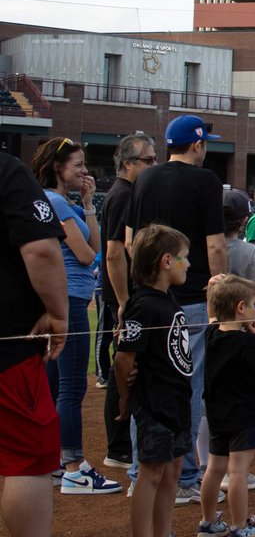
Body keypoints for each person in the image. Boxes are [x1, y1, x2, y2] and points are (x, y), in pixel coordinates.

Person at [125, 114, 227, 503]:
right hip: (192, 297)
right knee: (189, 385)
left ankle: (140, 471)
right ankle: (183, 475)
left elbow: (132, 242)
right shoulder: (205, 180)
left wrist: (143, 288)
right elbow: (215, 244)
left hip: (149, 295)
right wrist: (218, 293)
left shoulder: (146, 177)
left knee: (147, 384)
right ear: (198, 145)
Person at [30, 137, 121, 494]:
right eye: (78, 165)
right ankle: (73, 467)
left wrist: (87, 204)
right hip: (69, 299)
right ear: (57, 167)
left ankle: (55, 461)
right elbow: (86, 256)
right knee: (70, 387)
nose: (85, 171)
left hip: (66, 297)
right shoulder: (53, 201)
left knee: (54, 387)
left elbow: (94, 247)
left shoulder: (58, 202)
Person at [0, 152, 68, 537]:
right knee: (27, 459)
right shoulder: (8, 170)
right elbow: (41, 249)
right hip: (9, 347)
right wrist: (58, 314)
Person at [115, 225, 194, 537]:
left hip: (177, 401)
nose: (187, 265)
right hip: (155, 403)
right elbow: (124, 357)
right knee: (150, 474)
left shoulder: (168, 299)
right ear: (166, 261)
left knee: (172, 471)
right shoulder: (144, 304)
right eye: (183, 258)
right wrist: (125, 398)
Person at [198, 276, 255, 537]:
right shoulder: (247, 341)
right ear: (241, 307)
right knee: (238, 471)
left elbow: (211, 315)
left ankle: (208, 521)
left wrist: (212, 290)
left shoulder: (211, 333)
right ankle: (240, 526)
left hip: (217, 412)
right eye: (253, 305)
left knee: (214, 467)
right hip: (243, 414)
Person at [100, 134, 157, 472]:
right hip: (124, 294)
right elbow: (113, 252)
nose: (154, 164)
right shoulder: (124, 195)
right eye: (147, 160)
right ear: (127, 164)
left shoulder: (127, 192)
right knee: (125, 366)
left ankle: (121, 444)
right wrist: (124, 300)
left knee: (128, 364)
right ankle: (119, 446)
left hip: (126, 293)